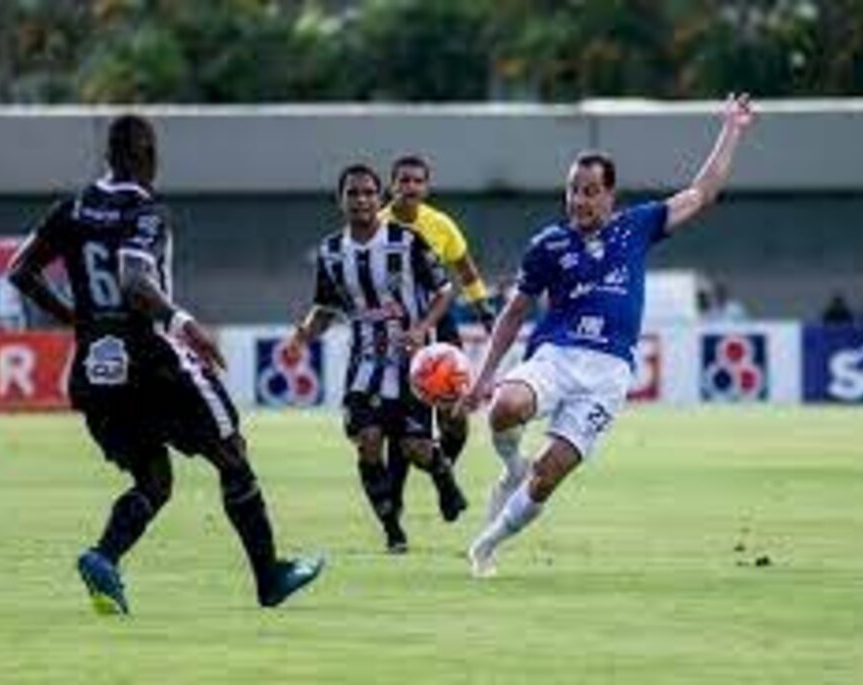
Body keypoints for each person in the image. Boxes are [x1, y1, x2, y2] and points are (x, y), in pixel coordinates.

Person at [7, 114, 322, 614]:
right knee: (232, 456)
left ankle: (104, 557)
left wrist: (78, 319)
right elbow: (134, 282)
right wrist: (181, 321)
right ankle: (270, 577)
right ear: (145, 153)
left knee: (154, 481)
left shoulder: (69, 210)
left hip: (96, 370)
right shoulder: (144, 210)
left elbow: (19, 271)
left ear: (109, 155)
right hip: (153, 361)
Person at [458, 94, 756, 578]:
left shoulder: (636, 227)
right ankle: (510, 464)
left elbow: (703, 192)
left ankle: (486, 546)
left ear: (610, 196)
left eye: (591, 191)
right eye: (573, 190)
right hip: (556, 356)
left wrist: (732, 129)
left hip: (608, 373)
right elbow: (514, 312)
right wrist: (483, 376)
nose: (580, 200)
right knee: (505, 408)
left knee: (548, 474)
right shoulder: (548, 245)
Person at [285, 163, 467, 554]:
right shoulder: (332, 252)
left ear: (379, 197)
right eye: (353, 193)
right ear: (341, 200)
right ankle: (392, 530)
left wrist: (422, 329)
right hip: (364, 365)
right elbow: (323, 309)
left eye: (368, 192)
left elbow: (445, 290)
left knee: (416, 450)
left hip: (410, 365)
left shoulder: (408, 241)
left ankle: (443, 476)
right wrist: (301, 337)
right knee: (368, 441)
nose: (361, 200)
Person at [379, 154, 494, 522]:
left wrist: (485, 311)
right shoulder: (377, 227)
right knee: (403, 424)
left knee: (456, 416)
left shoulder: (441, 224)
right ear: (392, 185)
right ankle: (394, 502)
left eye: (417, 181)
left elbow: (466, 269)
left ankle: (444, 475)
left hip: (440, 328)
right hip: (399, 333)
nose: (410, 187)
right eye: (403, 181)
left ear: (426, 186)